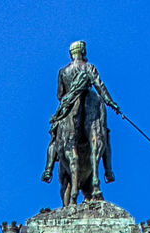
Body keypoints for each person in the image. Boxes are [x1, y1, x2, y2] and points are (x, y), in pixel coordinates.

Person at [42, 40, 117, 206]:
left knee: (55, 137)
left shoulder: (63, 71)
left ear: (71, 54)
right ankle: (107, 171)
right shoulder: (89, 68)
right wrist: (112, 103)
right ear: (83, 52)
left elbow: (60, 95)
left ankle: (48, 168)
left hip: (71, 107)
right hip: (91, 103)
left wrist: (68, 99)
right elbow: (100, 87)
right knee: (102, 136)